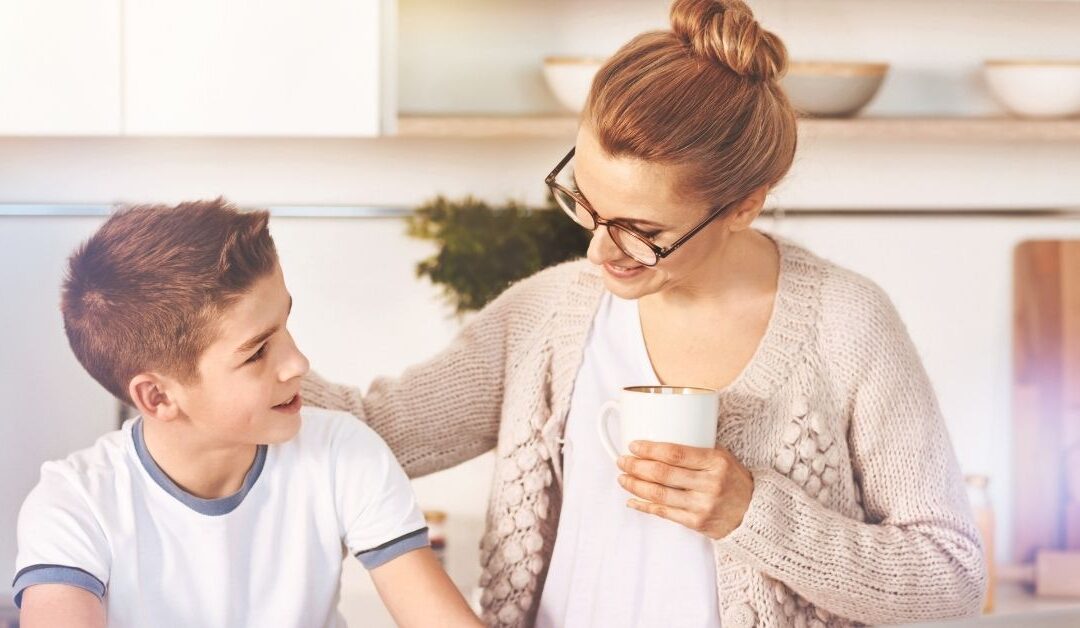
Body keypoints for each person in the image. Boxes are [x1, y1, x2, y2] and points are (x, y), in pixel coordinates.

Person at [301, 1, 987, 626]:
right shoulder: (546, 316)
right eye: (586, 204)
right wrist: (223, 346)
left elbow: (949, 573)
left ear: (745, 203)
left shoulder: (847, 325)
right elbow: (367, 432)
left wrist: (753, 513)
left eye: (641, 230)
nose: (601, 250)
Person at [12, 199, 482, 628]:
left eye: (286, 325)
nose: (298, 363)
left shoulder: (342, 452)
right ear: (157, 398)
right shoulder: (75, 504)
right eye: (256, 353)